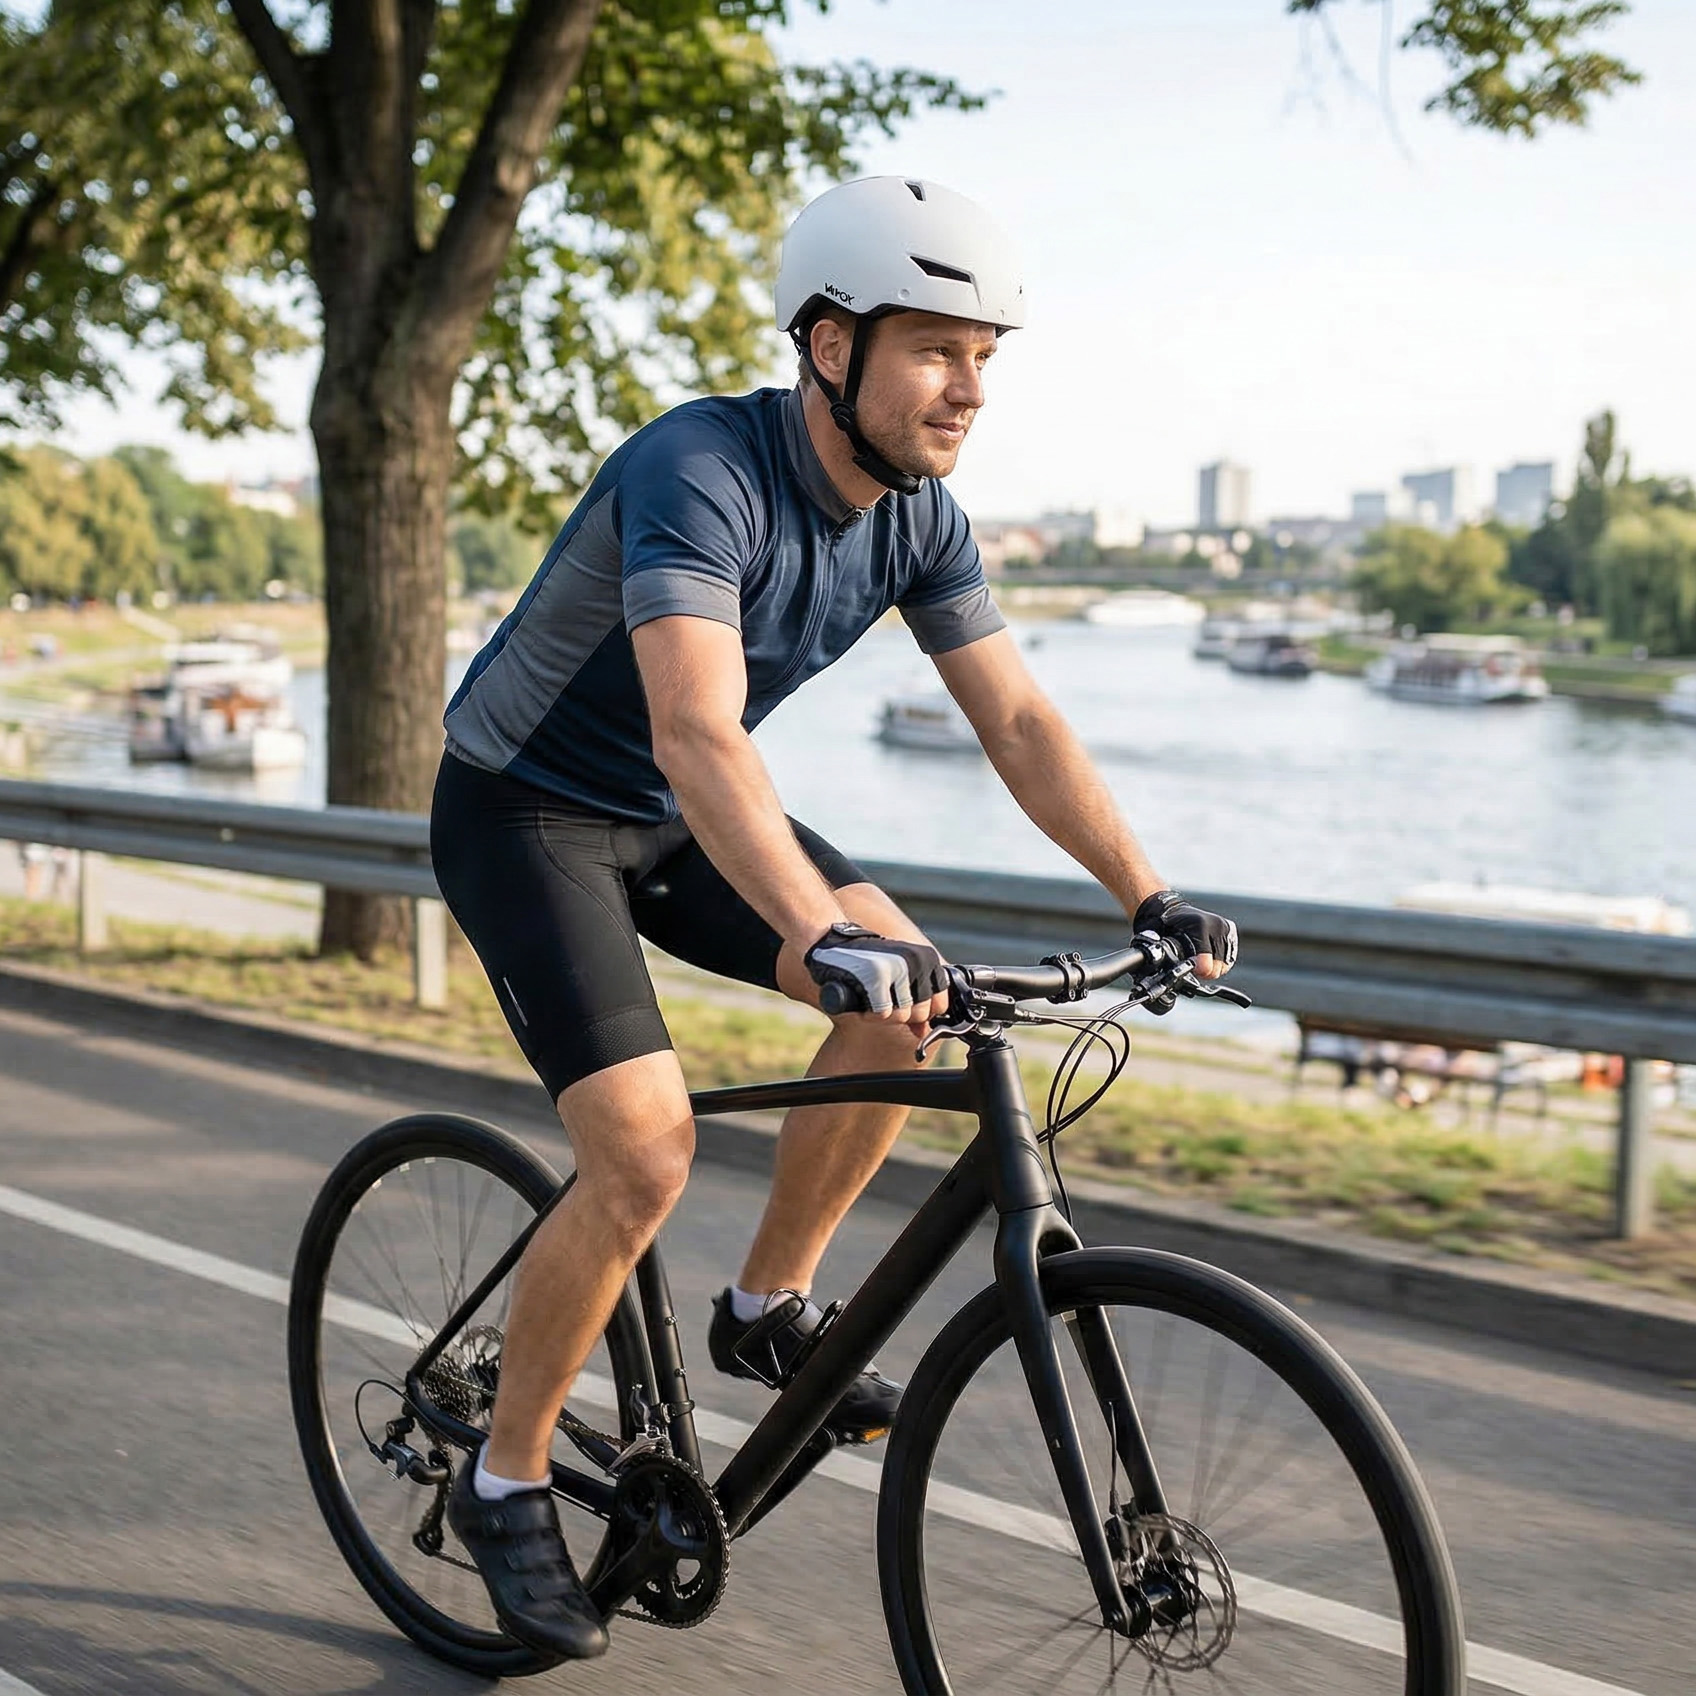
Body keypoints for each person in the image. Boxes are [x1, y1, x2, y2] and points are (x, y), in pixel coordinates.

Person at [429, 175, 1238, 1659]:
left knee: (909, 1002)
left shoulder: (918, 518)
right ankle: (505, 1477)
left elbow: (1018, 722)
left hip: (674, 818)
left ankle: (768, 1304)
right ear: (827, 345)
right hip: (526, 811)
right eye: (937, 350)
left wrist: (1149, 891)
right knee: (644, 1152)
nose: (970, 388)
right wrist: (811, 925)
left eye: (986, 356)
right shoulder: (700, 471)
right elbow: (698, 731)